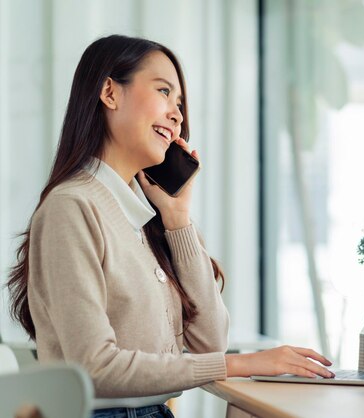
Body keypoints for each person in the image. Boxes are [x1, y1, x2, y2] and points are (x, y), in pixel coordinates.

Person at [6, 34, 333, 418]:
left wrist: (178, 219)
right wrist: (243, 364)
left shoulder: (142, 218)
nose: (177, 114)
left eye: (179, 104)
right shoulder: (71, 208)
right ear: (110, 93)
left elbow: (210, 342)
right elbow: (93, 368)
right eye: (164, 92)